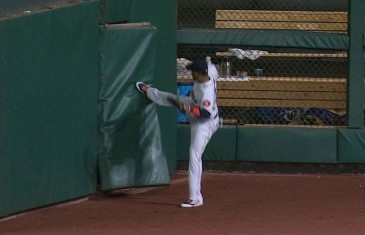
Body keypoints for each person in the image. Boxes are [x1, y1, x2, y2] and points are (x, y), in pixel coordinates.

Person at [136, 58, 219, 208]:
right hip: (193, 105)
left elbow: (205, 114)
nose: (191, 73)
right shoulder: (210, 72)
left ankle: (195, 198)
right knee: (171, 98)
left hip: (205, 123)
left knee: (194, 156)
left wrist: (190, 110)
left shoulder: (207, 93)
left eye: (193, 71)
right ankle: (148, 91)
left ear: (201, 73)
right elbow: (211, 67)